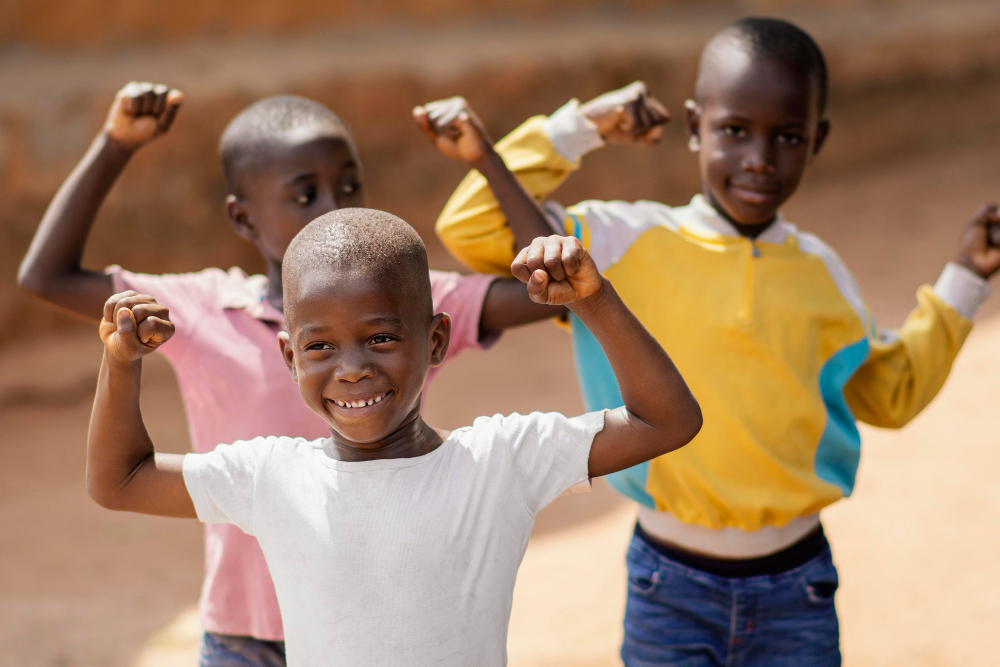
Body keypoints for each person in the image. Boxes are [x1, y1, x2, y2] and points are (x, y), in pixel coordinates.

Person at [419, 17, 1000, 666]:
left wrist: (965, 280)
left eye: (787, 136)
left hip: (796, 584)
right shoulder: (617, 244)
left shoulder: (824, 277)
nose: (759, 158)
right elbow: (469, 224)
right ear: (694, 126)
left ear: (819, 140)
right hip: (667, 585)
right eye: (733, 130)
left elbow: (892, 390)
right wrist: (584, 125)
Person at [17, 83, 559, 666]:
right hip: (245, 634)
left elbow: (548, 293)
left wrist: (486, 158)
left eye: (349, 186)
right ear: (242, 218)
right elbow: (46, 276)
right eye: (305, 195)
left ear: (434, 337)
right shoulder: (203, 306)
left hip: (372, 622)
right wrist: (115, 144)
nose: (334, 206)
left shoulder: (407, 301)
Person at [85, 208, 703, 666]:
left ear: (435, 341)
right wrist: (121, 363)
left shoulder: (499, 464)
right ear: (289, 356)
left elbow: (668, 420)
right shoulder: (272, 477)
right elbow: (120, 480)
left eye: (381, 337)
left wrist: (594, 301)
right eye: (319, 346)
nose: (351, 367)